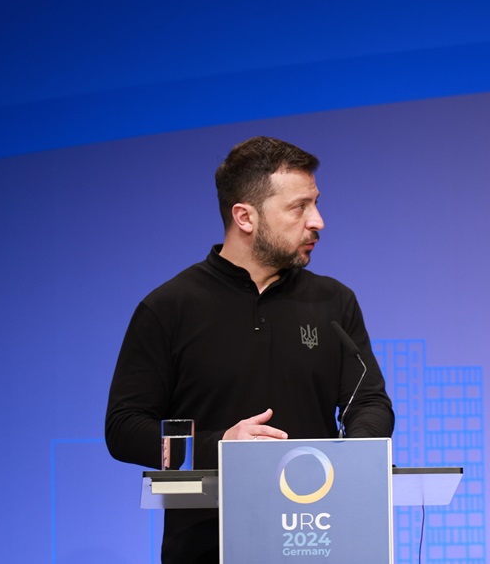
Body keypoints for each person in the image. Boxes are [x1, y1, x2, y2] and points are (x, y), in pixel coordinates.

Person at [106, 136, 395, 564]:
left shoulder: (334, 302)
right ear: (245, 216)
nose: (318, 221)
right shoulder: (169, 307)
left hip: (318, 539)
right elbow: (125, 428)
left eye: (315, 203)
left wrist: (351, 456)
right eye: (299, 207)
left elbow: (368, 401)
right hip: (207, 546)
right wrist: (218, 445)